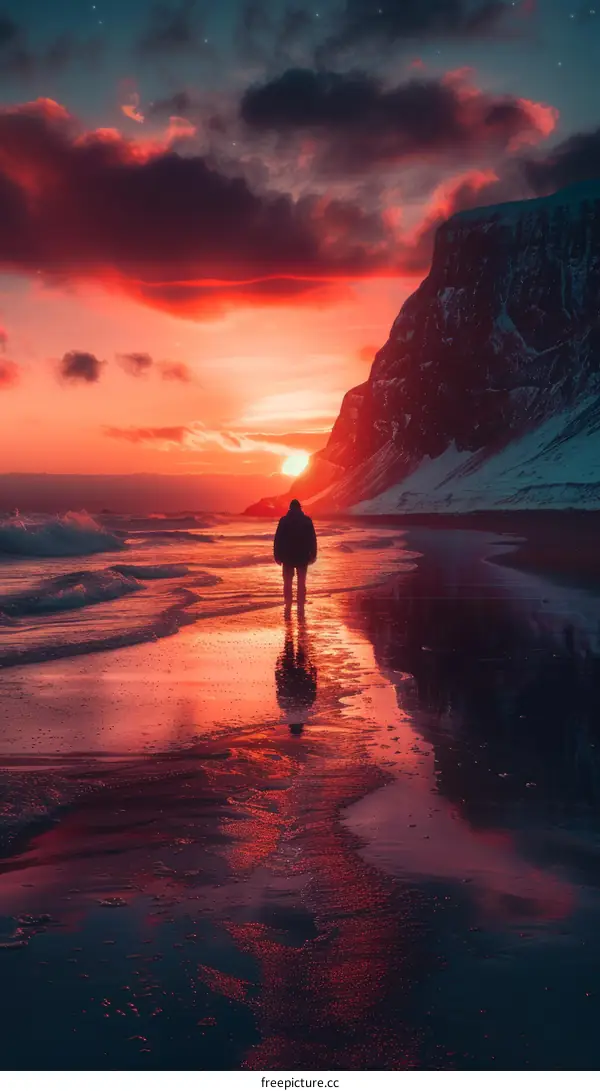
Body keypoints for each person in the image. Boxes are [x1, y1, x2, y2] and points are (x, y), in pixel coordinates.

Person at [273, 499, 317, 612]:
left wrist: (277, 556)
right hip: (303, 555)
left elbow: (278, 539)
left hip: (287, 556)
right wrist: (313, 554)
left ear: (290, 508)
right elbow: (312, 539)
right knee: (301, 582)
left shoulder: (284, 520)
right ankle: (300, 604)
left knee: (287, 582)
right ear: (300, 508)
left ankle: (288, 604)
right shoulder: (307, 520)